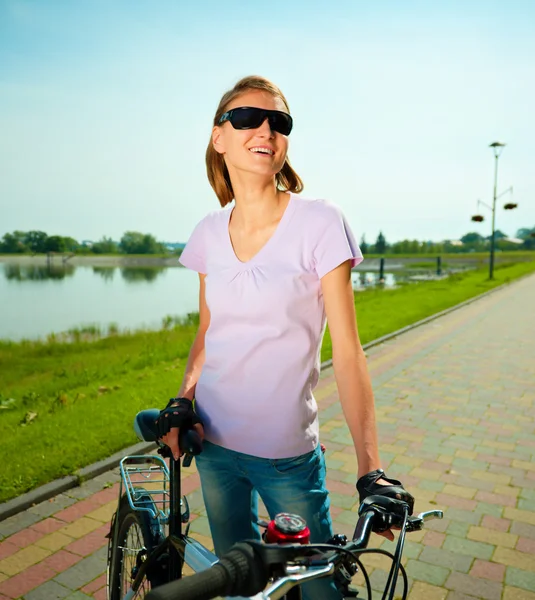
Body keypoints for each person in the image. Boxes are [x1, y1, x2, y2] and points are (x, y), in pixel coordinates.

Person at [155, 75, 414, 599]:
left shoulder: (319, 222)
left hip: (287, 456)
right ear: (219, 136)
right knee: (239, 586)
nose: (266, 129)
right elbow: (208, 331)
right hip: (215, 447)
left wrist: (371, 471)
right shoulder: (208, 231)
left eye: (280, 122)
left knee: (320, 590)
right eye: (248, 118)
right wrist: (184, 397)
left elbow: (347, 351)